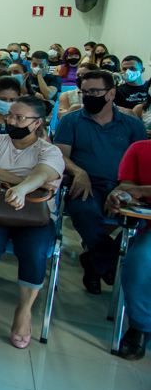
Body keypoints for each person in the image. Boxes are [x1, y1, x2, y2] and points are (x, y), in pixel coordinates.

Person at [0, 96, 65, 348]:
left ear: (37, 123)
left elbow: (45, 172)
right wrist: (24, 184)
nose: (12, 121)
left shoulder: (49, 150)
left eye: (20, 118)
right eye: (10, 115)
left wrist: (20, 190)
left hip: (35, 217)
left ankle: (24, 311)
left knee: (34, 251)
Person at [54, 71, 148, 294]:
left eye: (95, 92)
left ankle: (96, 262)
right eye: (85, 92)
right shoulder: (71, 121)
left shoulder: (132, 125)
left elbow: (141, 162)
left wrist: (124, 190)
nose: (88, 96)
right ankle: (105, 261)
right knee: (85, 211)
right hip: (87, 184)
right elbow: (60, 156)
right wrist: (79, 172)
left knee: (142, 223)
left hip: (125, 186)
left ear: (112, 93)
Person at [105, 140, 151, 360]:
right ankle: (141, 326)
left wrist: (142, 190)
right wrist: (120, 197)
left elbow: (137, 189)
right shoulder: (139, 149)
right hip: (147, 225)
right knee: (139, 260)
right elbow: (128, 189)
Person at [22, 51, 61, 116]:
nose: (37, 67)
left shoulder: (54, 78)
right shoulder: (26, 77)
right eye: (34, 64)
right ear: (31, 63)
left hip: (47, 111)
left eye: (41, 65)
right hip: (27, 109)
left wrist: (39, 76)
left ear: (46, 65)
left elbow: (48, 95)